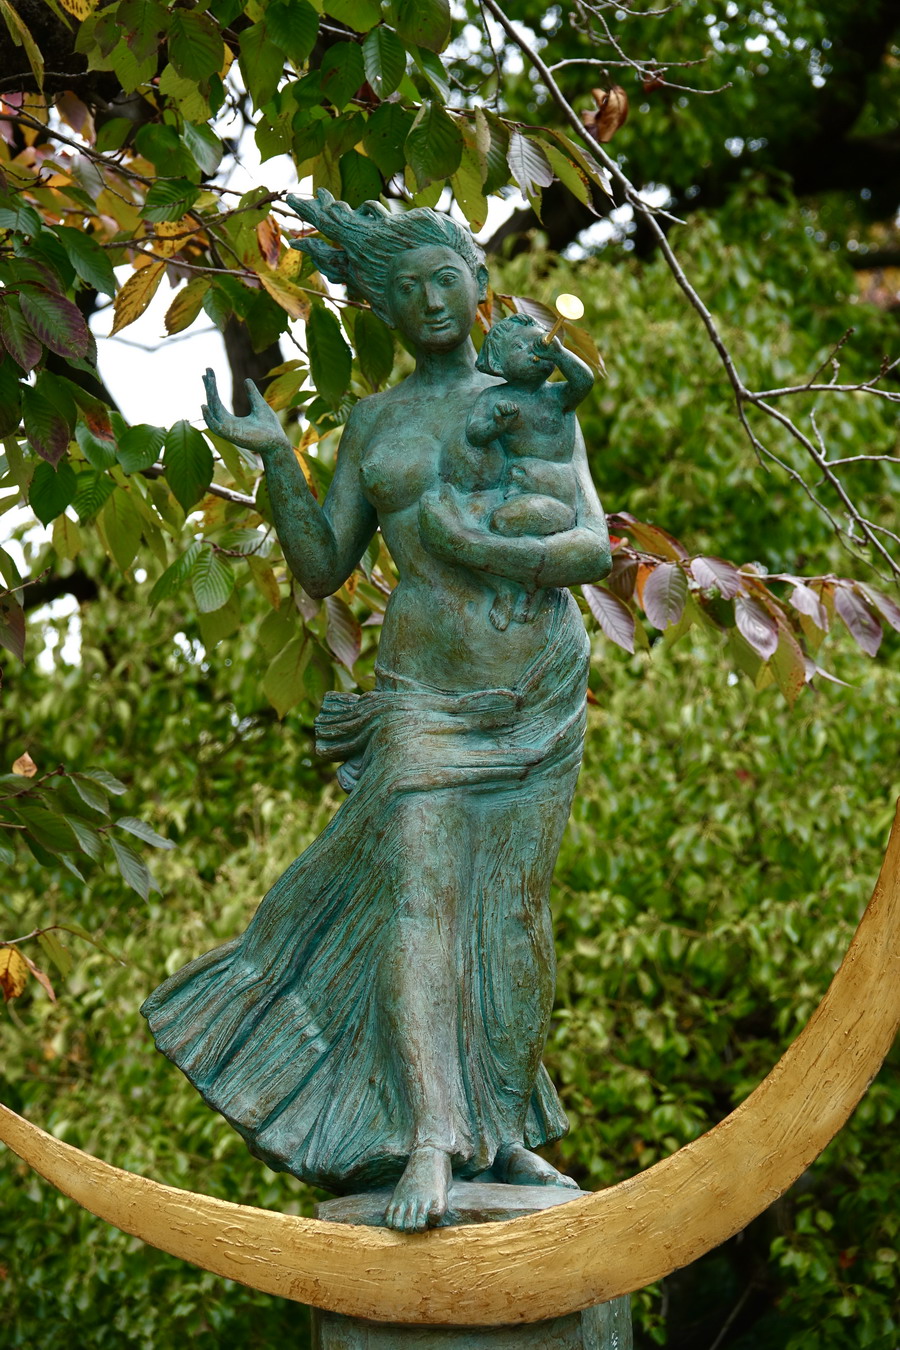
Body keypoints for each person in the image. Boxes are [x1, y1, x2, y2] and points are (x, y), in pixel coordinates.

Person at [141, 190, 612, 1234]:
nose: (431, 302)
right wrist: (275, 461)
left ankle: (502, 1130)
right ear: (383, 308)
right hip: (421, 698)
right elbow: (321, 567)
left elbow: (591, 546)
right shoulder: (376, 422)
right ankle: (431, 1135)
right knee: (420, 907)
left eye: (446, 279)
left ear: (479, 285)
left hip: (537, 695)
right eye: (407, 289)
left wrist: (485, 549)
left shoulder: (532, 398)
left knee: (516, 918)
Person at [439, 312, 595, 632]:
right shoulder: (495, 397)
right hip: (519, 492)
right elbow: (475, 433)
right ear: (498, 363)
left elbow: (585, 381)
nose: (534, 350)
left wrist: (560, 354)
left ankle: (516, 589)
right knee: (466, 529)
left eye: (538, 342)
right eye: (520, 347)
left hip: (555, 497)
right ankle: (518, 588)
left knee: (501, 524)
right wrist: (496, 425)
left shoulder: (558, 397)